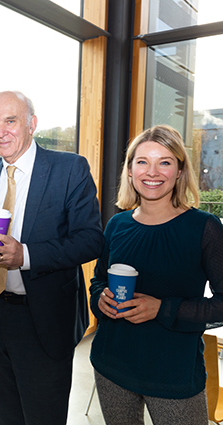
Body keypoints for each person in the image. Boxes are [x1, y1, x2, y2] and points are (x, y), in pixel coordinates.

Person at [0, 90, 104, 425]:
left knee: (43, 417)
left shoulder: (69, 168)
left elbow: (90, 241)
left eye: (10, 121)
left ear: (32, 124)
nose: (1, 132)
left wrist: (25, 255)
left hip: (42, 319)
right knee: (8, 415)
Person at [89, 124, 223, 425]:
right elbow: (98, 280)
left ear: (179, 171)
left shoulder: (205, 228)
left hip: (173, 374)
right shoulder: (117, 224)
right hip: (111, 365)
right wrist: (100, 299)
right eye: (142, 162)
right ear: (130, 170)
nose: (152, 172)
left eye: (164, 162)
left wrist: (162, 308)